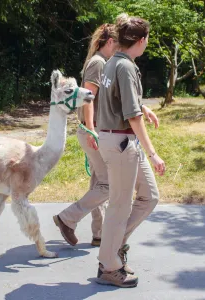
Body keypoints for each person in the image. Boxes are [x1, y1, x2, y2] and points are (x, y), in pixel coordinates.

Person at [53, 22, 159, 253]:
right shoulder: (99, 63)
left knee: (100, 183)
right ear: (110, 42)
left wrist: (142, 107)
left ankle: (99, 234)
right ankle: (69, 218)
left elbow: (117, 98)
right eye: (117, 42)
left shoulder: (108, 63)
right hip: (96, 130)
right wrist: (91, 129)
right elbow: (89, 99)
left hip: (100, 131)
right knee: (107, 185)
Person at [93, 14, 165, 288]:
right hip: (122, 143)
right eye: (147, 39)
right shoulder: (124, 67)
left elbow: (120, 100)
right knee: (119, 207)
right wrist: (153, 153)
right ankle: (109, 266)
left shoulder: (115, 62)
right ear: (141, 39)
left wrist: (141, 106)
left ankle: (115, 246)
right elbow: (132, 117)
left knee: (149, 196)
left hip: (117, 141)